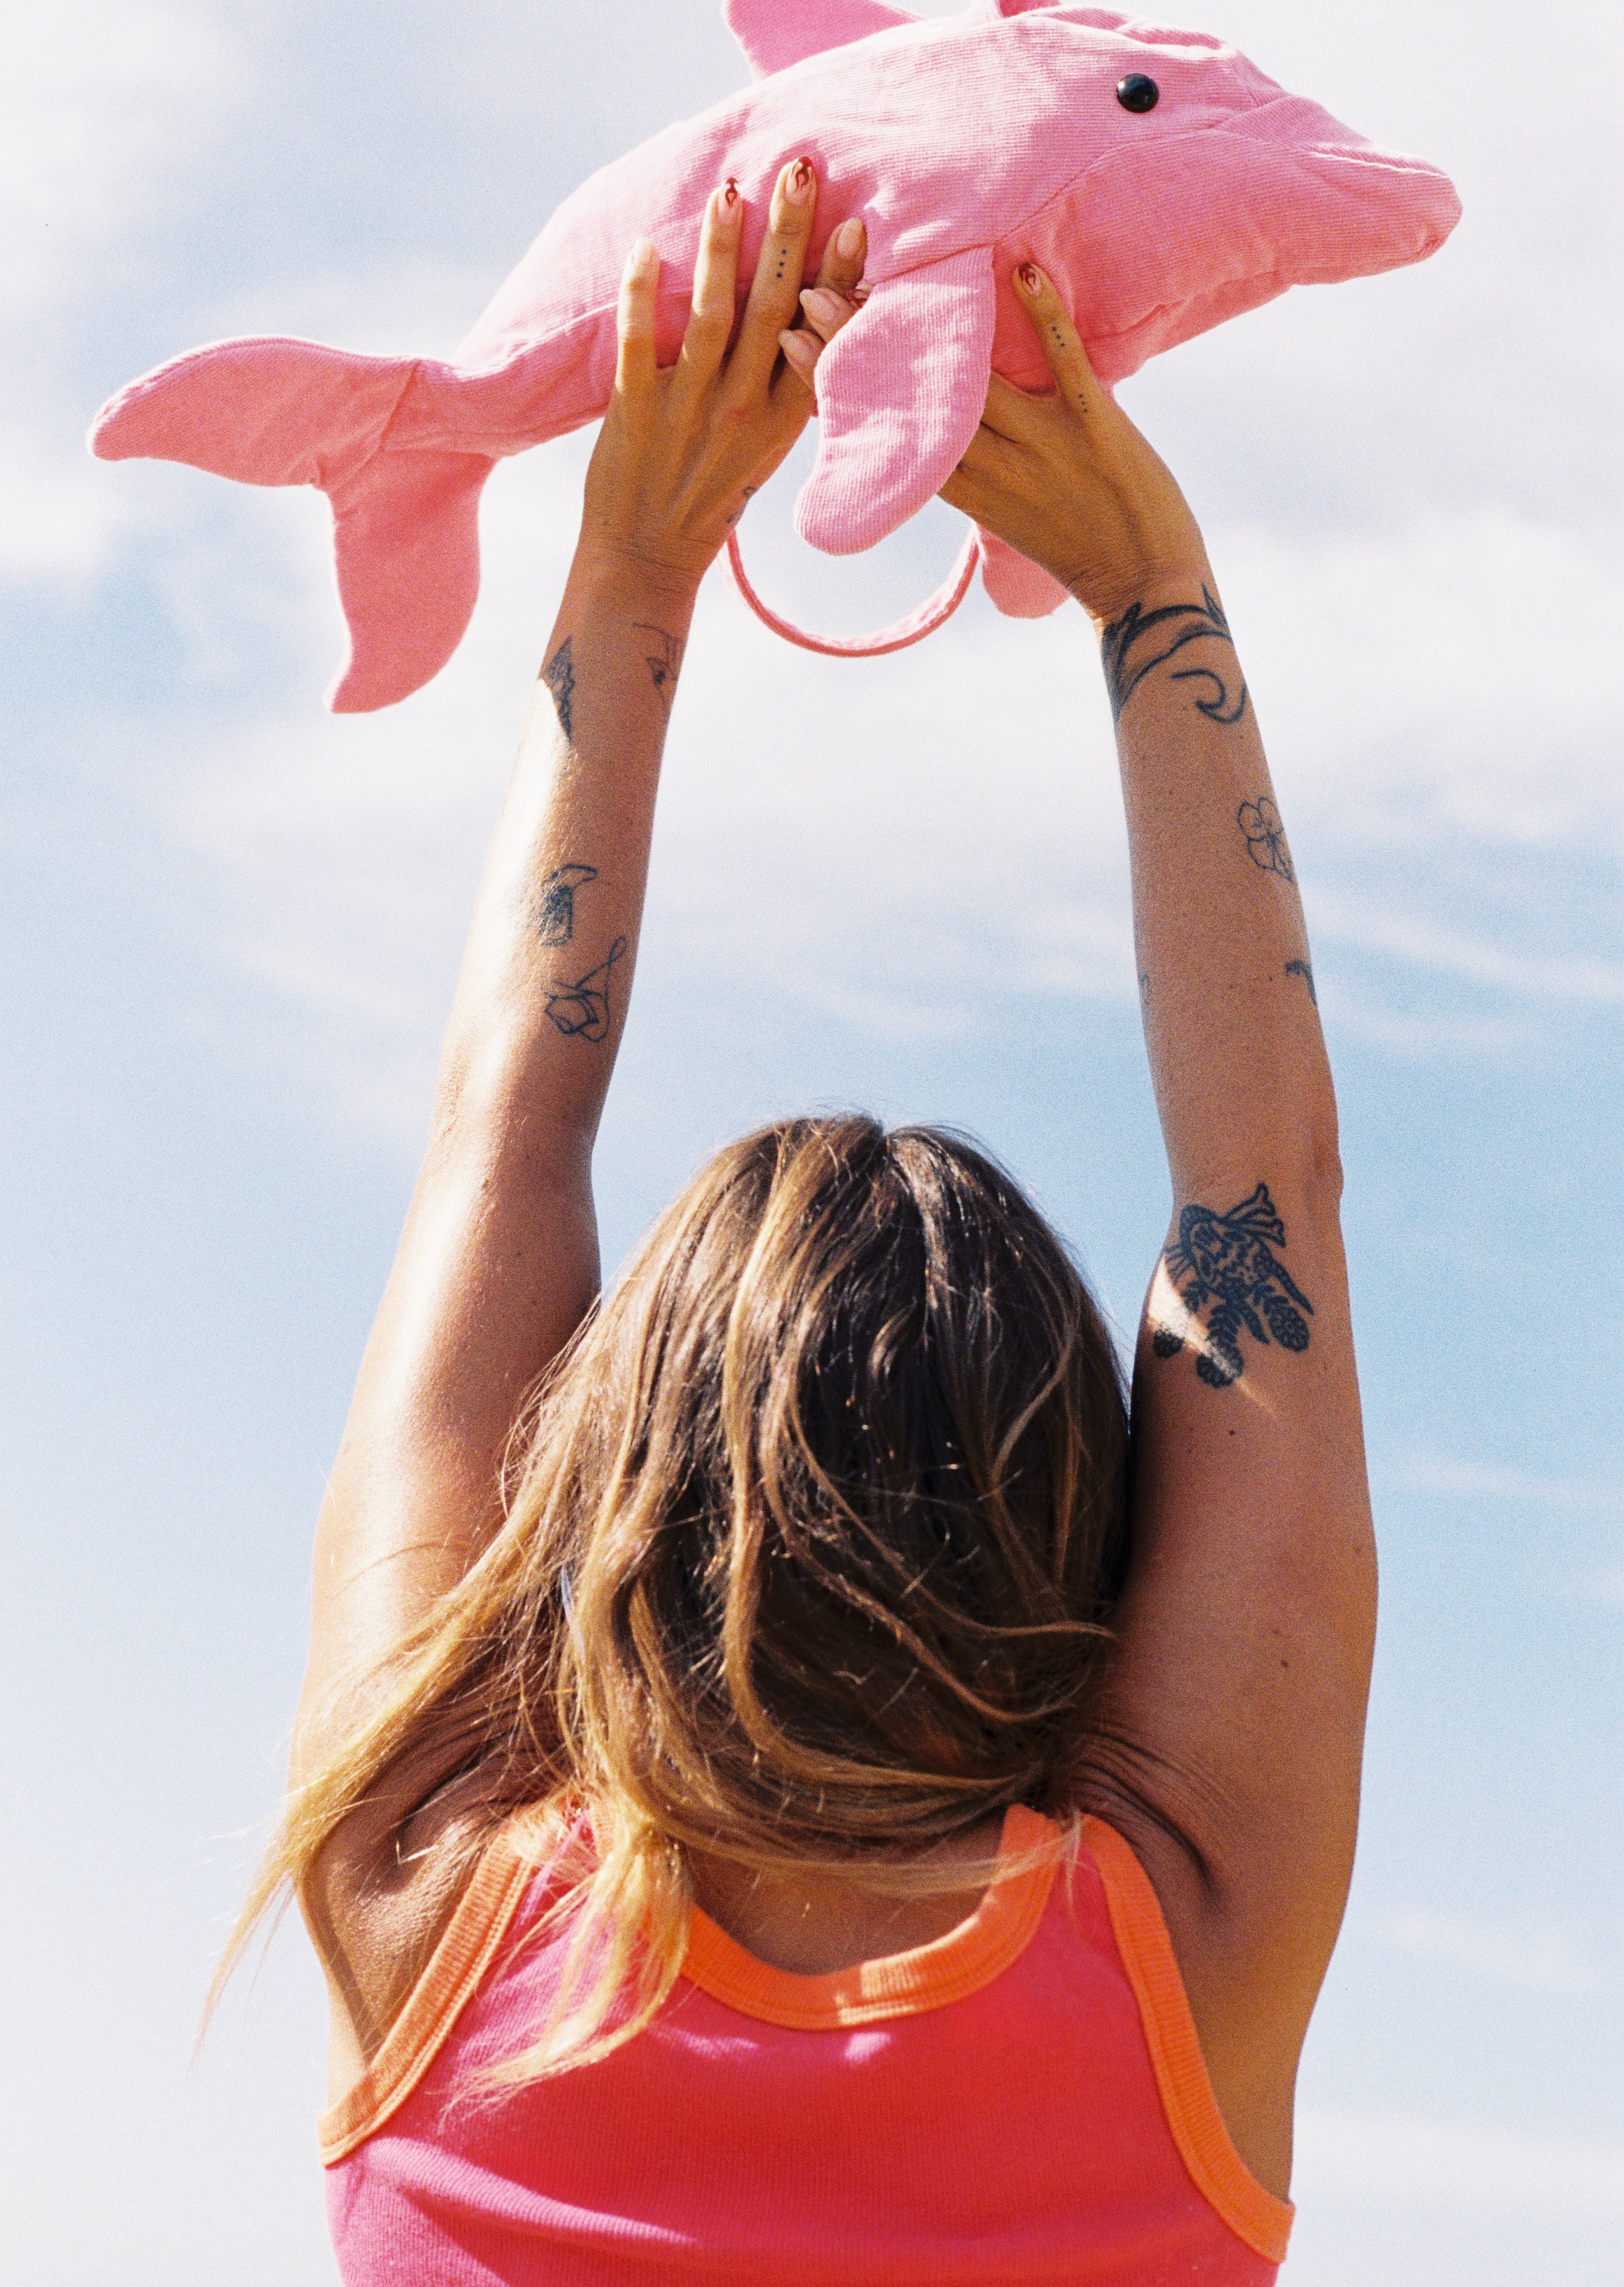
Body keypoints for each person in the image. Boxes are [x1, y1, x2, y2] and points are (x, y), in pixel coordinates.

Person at [245, 153, 1374, 2283]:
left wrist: (630, 571)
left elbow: (498, 1145)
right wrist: (1148, 580)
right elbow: (1262, 1190)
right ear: (1076, 1507)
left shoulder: (427, 1906)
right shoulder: (1181, 1950)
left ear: (597, 1483)